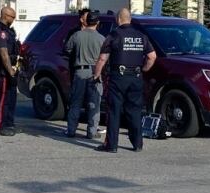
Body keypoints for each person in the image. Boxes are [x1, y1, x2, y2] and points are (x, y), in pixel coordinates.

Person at [93, 8, 157, 153]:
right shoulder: (141, 36)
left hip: (118, 77)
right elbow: (152, 56)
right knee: (134, 111)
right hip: (136, 77)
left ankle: (111, 145)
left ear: (118, 19)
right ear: (130, 19)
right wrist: (144, 69)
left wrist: (96, 74)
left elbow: (103, 58)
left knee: (114, 111)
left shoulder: (114, 35)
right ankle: (137, 144)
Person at [62, 12, 105, 139]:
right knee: (94, 103)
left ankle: (71, 130)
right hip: (95, 71)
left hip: (80, 70)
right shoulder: (102, 39)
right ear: (97, 23)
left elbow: (67, 49)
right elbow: (105, 57)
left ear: (87, 21)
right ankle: (92, 132)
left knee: (76, 102)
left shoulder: (77, 35)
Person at [0, 6, 21, 136]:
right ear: (5, 16)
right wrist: (10, 72)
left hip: (13, 70)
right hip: (5, 71)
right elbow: (3, 54)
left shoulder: (10, 31)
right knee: (3, 99)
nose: (14, 19)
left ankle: (9, 124)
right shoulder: (0, 31)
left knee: (11, 99)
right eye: (12, 17)